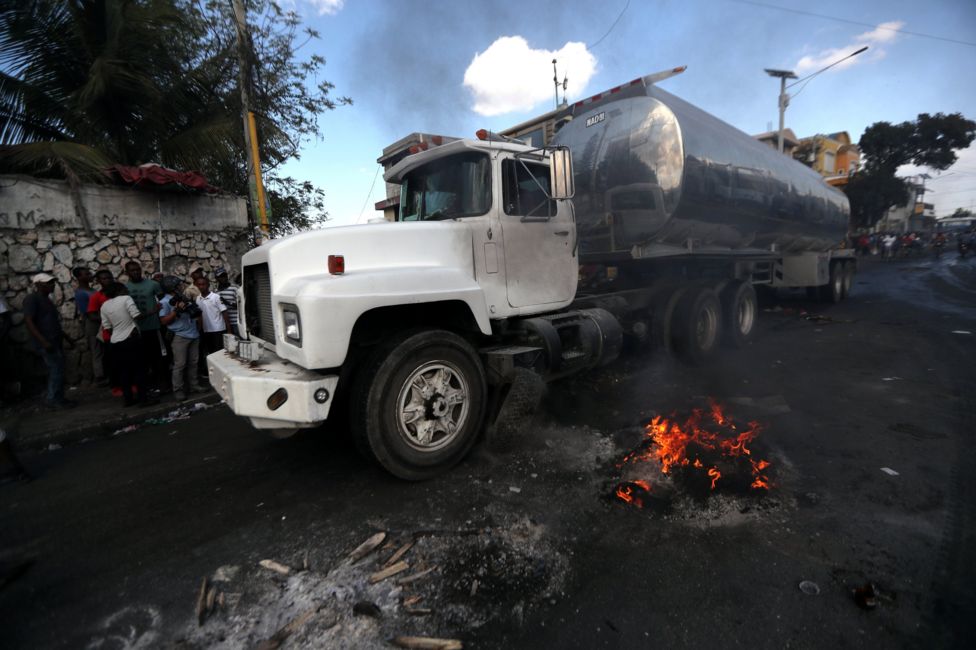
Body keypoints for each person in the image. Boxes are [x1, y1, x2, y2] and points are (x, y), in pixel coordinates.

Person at [23, 273, 75, 409]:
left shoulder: (46, 300)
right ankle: (53, 400)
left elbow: (52, 323)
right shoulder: (32, 299)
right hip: (46, 342)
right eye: (49, 283)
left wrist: (67, 338)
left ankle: (58, 398)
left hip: (54, 340)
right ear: (38, 285)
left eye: (52, 282)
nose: (52, 285)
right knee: (56, 369)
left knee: (58, 370)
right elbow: (29, 322)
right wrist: (43, 342)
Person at [100, 282, 155, 407]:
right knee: (139, 370)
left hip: (115, 342)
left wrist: (118, 331)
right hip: (131, 339)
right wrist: (153, 311)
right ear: (119, 290)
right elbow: (137, 315)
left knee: (123, 372)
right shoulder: (126, 299)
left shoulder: (104, 305)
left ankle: (128, 399)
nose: (127, 290)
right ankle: (143, 399)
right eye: (125, 288)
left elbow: (107, 327)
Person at [124, 261, 168, 394]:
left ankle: (163, 384)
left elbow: (162, 301)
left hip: (154, 327)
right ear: (127, 272)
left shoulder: (153, 285)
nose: (136, 272)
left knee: (159, 358)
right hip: (135, 330)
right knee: (142, 360)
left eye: (138, 269)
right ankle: (148, 386)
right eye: (132, 270)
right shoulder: (125, 288)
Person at [159, 276, 202, 401]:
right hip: (179, 336)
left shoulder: (183, 297)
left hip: (193, 333)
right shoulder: (165, 302)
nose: (180, 286)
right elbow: (164, 321)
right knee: (180, 365)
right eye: (178, 285)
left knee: (193, 363)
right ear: (171, 287)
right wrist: (176, 311)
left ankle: (194, 385)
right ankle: (178, 390)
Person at [73, 266, 106, 385]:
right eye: (86, 274)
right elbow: (89, 314)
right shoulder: (81, 294)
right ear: (79, 277)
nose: (89, 275)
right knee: (97, 351)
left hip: (99, 320)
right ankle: (99, 377)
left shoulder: (91, 290)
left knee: (102, 350)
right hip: (93, 323)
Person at [195, 276, 229, 380]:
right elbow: (199, 316)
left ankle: (224, 375)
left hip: (218, 330)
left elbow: (225, 313)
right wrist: (200, 330)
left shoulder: (216, 297)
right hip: (206, 331)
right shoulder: (198, 298)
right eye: (199, 284)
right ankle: (216, 376)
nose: (201, 286)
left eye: (203, 284)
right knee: (211, 354)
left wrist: (229, 331)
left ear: (208, 285)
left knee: (220, 354)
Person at [215, 267, 240, 337]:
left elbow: (242, 305)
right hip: (224, 324)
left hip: (236, 322)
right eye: (220, 277)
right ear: (216, 279)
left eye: (224, 276)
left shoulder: (235, 288)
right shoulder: (216, 292)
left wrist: (228, 303)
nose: (224, 278)